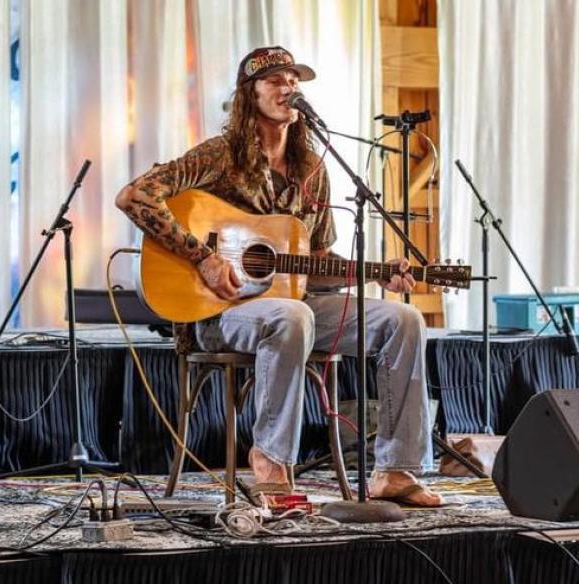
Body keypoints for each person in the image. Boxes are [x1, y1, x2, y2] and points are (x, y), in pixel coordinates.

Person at [115, 46, 441, 507]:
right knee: (292, 316)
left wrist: (376, 275)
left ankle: (396, 470)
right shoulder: (220, 155)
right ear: (250, 94)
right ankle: (270, 464)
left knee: (403, 321)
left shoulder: (313, 168)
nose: (288, 87)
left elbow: (315, 261)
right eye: (275, 80)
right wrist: (204, 258)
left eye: (294, 79)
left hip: (291, 307)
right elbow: (135, 197)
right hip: (220, 313)